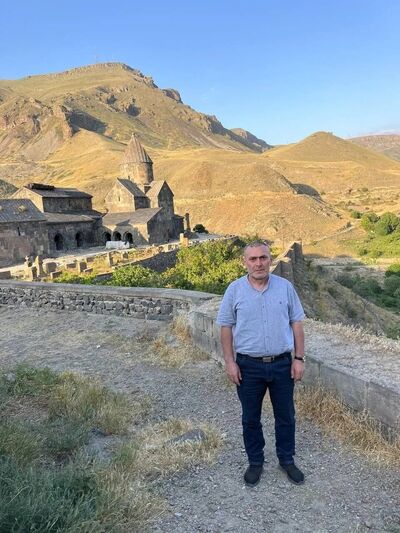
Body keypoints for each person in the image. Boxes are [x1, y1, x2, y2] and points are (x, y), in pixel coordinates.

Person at [217, 240, 306, 486]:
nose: (259, 263)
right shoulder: (234, 290)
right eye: (253, 259)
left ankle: (286, 459)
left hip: (282, 364)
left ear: (270, 259)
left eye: (263, 258)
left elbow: (296, 323)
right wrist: (230, 362)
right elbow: (226, 327)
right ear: (245, 262)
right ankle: (255, 462)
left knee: (286, 416)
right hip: (248, 366)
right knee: (250, 418)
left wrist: (299, 358)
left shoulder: (285, 287)